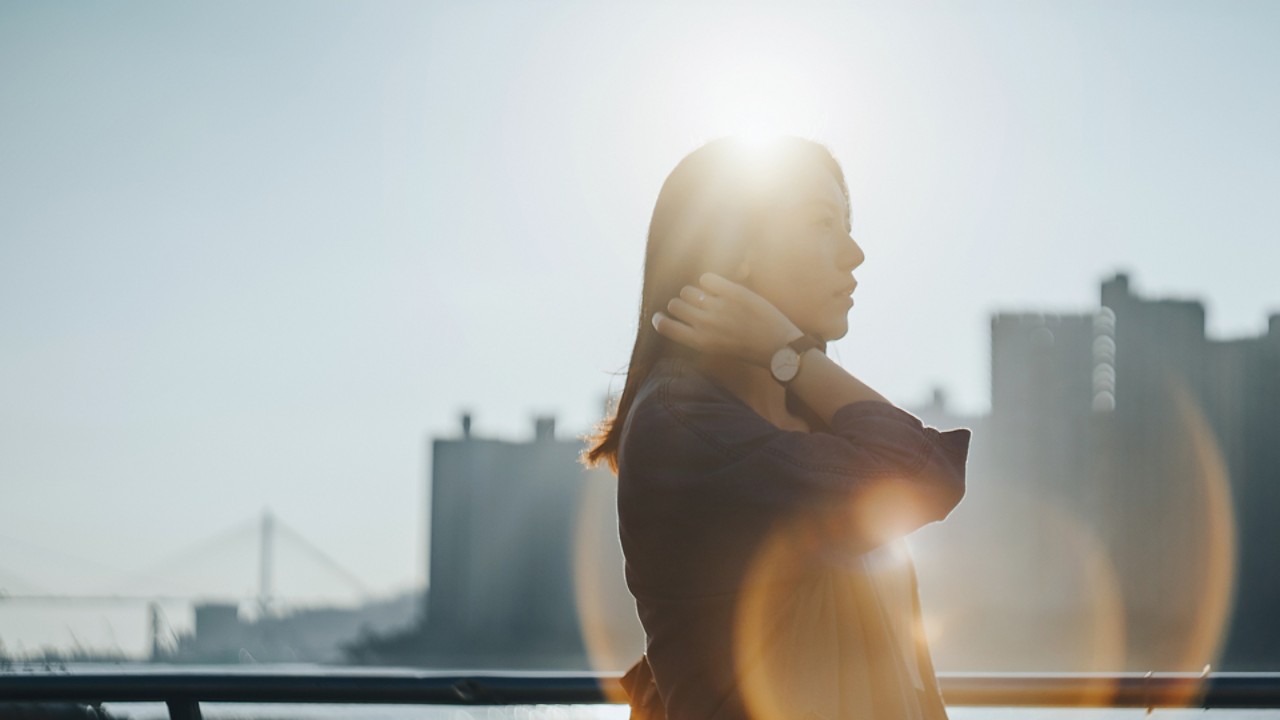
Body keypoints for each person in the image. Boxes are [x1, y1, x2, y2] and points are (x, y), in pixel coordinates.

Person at [584, 135, 972, 720]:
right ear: (734, 246)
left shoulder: (803, 420)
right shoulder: (684, 428)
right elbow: (926, 475)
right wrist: (788, 352)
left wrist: (788, 360)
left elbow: (912, 677)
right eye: (824, 223)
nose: (855, 253)